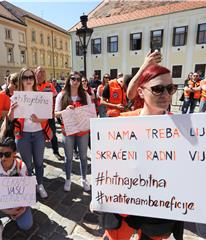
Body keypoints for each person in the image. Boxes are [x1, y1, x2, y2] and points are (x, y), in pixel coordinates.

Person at [101, 65, 184, 240]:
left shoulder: (183, 130)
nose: (166, 95)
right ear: (140, 92)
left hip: (155, 223)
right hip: (121, 221)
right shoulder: (120, 124)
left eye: (170, 88)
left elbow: (189, 169)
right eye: (158, 89)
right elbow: (107, 169)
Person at [7, 67, 52, 199]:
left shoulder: (41, 96)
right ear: (21, 79)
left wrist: (39, 119)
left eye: (30, 77)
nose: (28, 80)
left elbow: (47, 116)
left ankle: (40, 184)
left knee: (39, 162)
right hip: (22, 135)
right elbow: (10, 119)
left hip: (38, 134)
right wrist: (11, 111)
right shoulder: (16, 96)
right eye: (25, 77)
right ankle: (30, 185)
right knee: (27, 164)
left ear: (34, 79)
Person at [0, 137, 32, 240]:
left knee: (26, 225)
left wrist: (23, 208)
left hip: (18, 202)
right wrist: (6, 211)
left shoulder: (21, 165)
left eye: (7, 154)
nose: (3, 158)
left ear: (14, 153)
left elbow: (28, 192)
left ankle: (17, 216)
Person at [54, 71, 93, 192]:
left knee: (83, 156)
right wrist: (65, 110)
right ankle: (68, 179)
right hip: (68, 130)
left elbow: (91, 112)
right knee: (68, 157)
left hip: (83, 130)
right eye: (73, 79)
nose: (75, 81)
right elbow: (55, 114)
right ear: (69, 80)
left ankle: (84, 178)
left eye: (78, 79)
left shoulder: (85, 95)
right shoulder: (62, 95)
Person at [35, 66, 63, 160]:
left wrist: (54, 112)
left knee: (53, 135)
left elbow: (55, 99)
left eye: (44, 72)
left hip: (49, 115)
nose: (42, 73)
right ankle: (39, 156)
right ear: (36, 73)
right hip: (36, 117)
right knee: (39, 137)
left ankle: (56, 152)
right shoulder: (32, 86)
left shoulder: (49, 85)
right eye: (40, 71)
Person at [0, 73, 19, 141]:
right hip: (7, 126)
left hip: (19, 128)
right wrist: (13, 112)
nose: (10, 86)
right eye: (10, 83)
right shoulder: (1, 94)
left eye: (15, 85)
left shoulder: (22, 95)